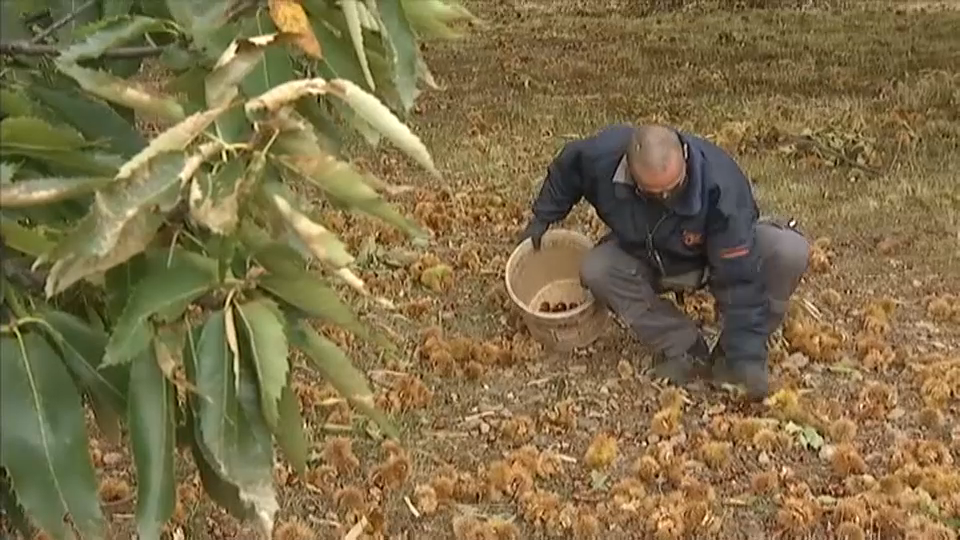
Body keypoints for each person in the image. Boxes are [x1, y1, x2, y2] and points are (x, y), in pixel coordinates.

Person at [517, 123, 811, 400]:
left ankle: (731, 353)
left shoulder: (721, 183)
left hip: (713, 258)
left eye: (674, 187)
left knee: (788, 249)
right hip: (646, 255)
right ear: (630, 173)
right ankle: (683, 346)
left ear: (684, 156)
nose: (666, 197)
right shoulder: (602, 157)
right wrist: (544, 216)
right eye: (654, 193)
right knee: (597, 268)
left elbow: (739, 277)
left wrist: (744, 353)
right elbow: (568, 169)